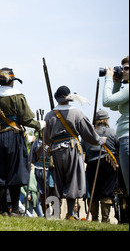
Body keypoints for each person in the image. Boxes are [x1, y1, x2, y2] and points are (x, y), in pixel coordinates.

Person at [0, 67, 44, 217]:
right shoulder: (18, 96)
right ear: (11, 81)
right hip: (13, 136)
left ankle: (4, 210)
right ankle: (15, 210)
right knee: (15, 172)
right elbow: (26, 119)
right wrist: (40, 124)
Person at [43, 85, 107, 220]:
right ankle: (70, 214)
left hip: (55, 151)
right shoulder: (77, 113)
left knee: (54, 182)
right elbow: (89, 134)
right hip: (72, 150)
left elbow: (46, 138)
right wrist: (100, 140)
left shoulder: (49, 115)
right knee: (73, 181)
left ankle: (53, 215)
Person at [81, 109, 119, 222]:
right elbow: (118, 148)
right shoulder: (113, 132)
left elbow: (82, 150)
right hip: (109, 164)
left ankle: (94, 218)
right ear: (106, 120)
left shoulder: (89, 134)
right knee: (107, 191)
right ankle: (105, 219)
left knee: (93, 192)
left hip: (92, 165)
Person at [103, 56, 129, 196]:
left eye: (127, 68)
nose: (123, 71)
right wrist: (117, 83)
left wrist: (108, 78)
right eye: (122, 68)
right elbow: (114, 107)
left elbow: (107, 101)